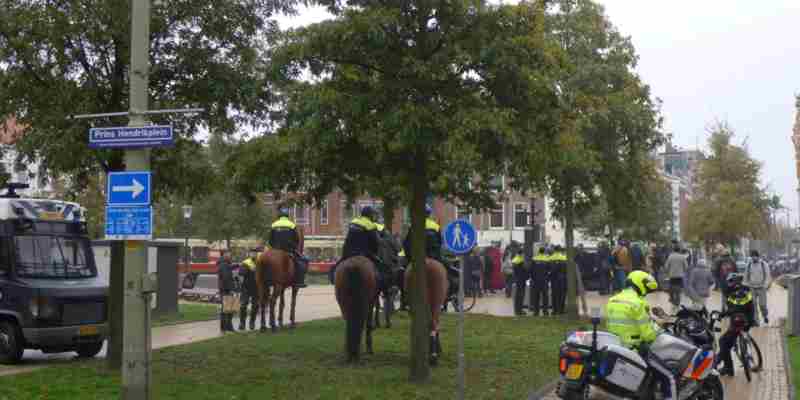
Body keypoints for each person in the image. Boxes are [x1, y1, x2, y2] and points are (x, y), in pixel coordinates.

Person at [606, 270, 670, 399]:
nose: (646, 293)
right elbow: (648, 335)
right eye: (645, 289)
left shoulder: (612, 300)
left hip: (616, 345)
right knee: (667, 372)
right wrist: (662, 331)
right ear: (639, 285)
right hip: (634, 348)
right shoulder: (638, 303)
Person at [716, 273, 756, 377]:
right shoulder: (747, 290)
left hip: (737, 323)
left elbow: (733, 309)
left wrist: (721, 315)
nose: (728, 284)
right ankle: (723, 363)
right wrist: (752, 320)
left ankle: (726, 367)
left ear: (734, 282)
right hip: (748, 321)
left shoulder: (732, 294)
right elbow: (750, 307)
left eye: (730, 282)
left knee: (723, 342)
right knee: (729, 342)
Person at [331, 206, 381, 283]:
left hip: (348, 252)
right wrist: (376, 254)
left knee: (336, 267)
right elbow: (375, 243)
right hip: (364, 253)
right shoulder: (371, 225)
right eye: (373, 215)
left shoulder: (353, 222)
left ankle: (332, 278)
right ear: (370, 215)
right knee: (381, 270)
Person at [268, 208, 307, 288]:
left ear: (279, 216)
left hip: (276, 250)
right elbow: (296, 239)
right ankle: (299, 281)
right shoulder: (292, 225)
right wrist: (294, 247)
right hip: (289, 250)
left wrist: (274, 248)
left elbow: (270, 240)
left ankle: (267, 280)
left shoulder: (274, 225)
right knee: (301, 263)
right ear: (287, 216)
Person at [745, 250, 770, 325]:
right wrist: (746, 285)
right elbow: (746, 275)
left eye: (754, 256)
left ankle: (765, 315)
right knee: (753, 305)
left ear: (758, 256)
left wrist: (765, 285)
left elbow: (767, 275)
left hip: (761, 287)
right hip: (752, 287)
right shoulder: (749, 264)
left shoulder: (763, 264)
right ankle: (756, 321)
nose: (753, 258)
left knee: (762, 305)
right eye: (752, 257)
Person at [238, 248, 260, 331]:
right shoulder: (246, 263)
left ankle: (252, 322)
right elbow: (241, 275)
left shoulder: (260, 262)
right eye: (252, 253)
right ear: (249, 254)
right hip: (246, 287)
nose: (253, 255)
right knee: (243, 305)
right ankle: (242, 323)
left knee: (255, 306)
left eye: (255, 253)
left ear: (257, 254)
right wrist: (241, 285)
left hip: (257, 288)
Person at [665, 245, 688, 312]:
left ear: (673, 250)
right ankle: (677, 305)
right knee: (678, 291)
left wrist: (668, 272)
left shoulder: (670, 256)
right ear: (679, 250)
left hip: (672, 276)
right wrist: (682, 271)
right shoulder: (682, 257)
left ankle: (672, 301)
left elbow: (666, 266)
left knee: (671, 289)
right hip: (680, 276)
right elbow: (686, 267)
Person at [217, 251, 236, 333]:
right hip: (226, 289)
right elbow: (226, 277)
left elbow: (229, 269)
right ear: (225, 256)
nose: (231, 256)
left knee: (230, 309)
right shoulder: (224, 265)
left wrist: (235, 266)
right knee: (227, 310)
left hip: (225, 289)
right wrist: (231, 289)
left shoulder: (224, 264)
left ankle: (227, 327)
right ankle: (225, 328)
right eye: (229, 255)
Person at [530, 247, 550, 316]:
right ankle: (545, 311)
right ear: (544, 252)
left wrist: (533, 278)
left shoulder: (534, 259)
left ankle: (536, 312)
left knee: (536, 297)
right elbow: (549, 270)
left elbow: (531, 270)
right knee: (545, 297)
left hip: (536, 281)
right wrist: (547, 278)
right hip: (544, 281)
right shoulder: (547, 259)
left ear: (539, 251)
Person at [550, 245, 568, 315]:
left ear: (554, 250)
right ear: (560, 250)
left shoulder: (550, 258)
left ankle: (554, 310)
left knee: (554, 294)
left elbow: (549, 270)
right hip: (562, 279)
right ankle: (561, 310)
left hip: (554, 279)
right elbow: (567, 270)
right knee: (562, 294)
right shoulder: (564, 258)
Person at [511, 248, 527, 316]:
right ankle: (519, 310)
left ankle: (517, 310)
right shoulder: (520, 260)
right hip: (521, 280)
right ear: (522, 254)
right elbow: (523, 271)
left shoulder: (515, 259)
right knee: (521, 295)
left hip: (517, 279)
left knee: (517, 295)